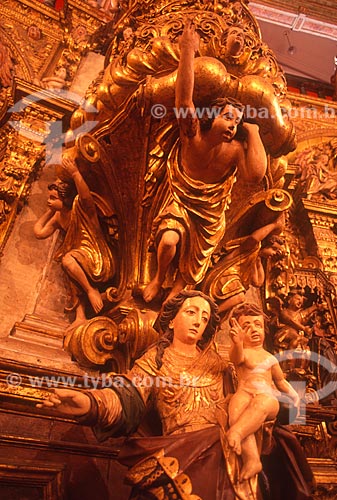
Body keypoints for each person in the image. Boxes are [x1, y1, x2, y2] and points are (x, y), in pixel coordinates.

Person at [37, 291, 313, 500]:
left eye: (204, 318)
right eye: (191, 312)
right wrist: (87, 404)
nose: (198, 322)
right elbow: (125, 398)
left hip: (229, 455)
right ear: (171, 320)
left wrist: (294, 398)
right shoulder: (155, 363)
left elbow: (261, 391)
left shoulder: (222, 365)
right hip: (179, 455)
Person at [143, 19, 267, 303]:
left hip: (210, 211)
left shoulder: (235, 150)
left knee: (193, 267)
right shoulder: (193, 134)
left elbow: (255, 176)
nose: (233, 126)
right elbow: (184, 100)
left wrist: (253, 131)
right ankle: (160, 277)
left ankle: (176, 294)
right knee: (169, 242)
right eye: (228, 117)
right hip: (180, 197)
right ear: (212, 117)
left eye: (237, 122)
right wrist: (188, 51)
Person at [34, 157, 115, 328]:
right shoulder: (58, 217)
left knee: (67, 260)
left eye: (53, 198)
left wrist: (75, 173)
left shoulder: (81, 208)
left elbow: (85, 196)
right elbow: (39, 232)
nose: (49, 201)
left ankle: (92, 291)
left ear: (66, 199)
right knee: (71, 273)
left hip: (96, 257)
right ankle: (80, 316)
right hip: (77, 258)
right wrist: (50, 210)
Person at [227, 302, 300, 482]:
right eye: (246, 326)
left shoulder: (270, 357)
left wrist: (295, 395)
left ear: (265, 329)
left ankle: (236, 432)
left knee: (260, 403)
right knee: (235, 410)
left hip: (267, 398)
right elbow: (235, 358)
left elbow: (281, 381)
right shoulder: (243, 352)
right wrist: (237, 343)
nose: (253, 329)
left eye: (258, 325)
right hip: (244, 392)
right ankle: (252, 459)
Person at [201, 217, 285, 315]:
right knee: (240, 297)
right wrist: (274, 225)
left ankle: (213, 313)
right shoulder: (252, 247)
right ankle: (212, 314)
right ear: (265, 243)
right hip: (225, 273)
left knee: (239, 297)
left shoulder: (255, 257)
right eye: (274, 248)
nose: (275, 253)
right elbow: (254, 238)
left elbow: (257, 282)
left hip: (232, 277)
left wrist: (258, 262)